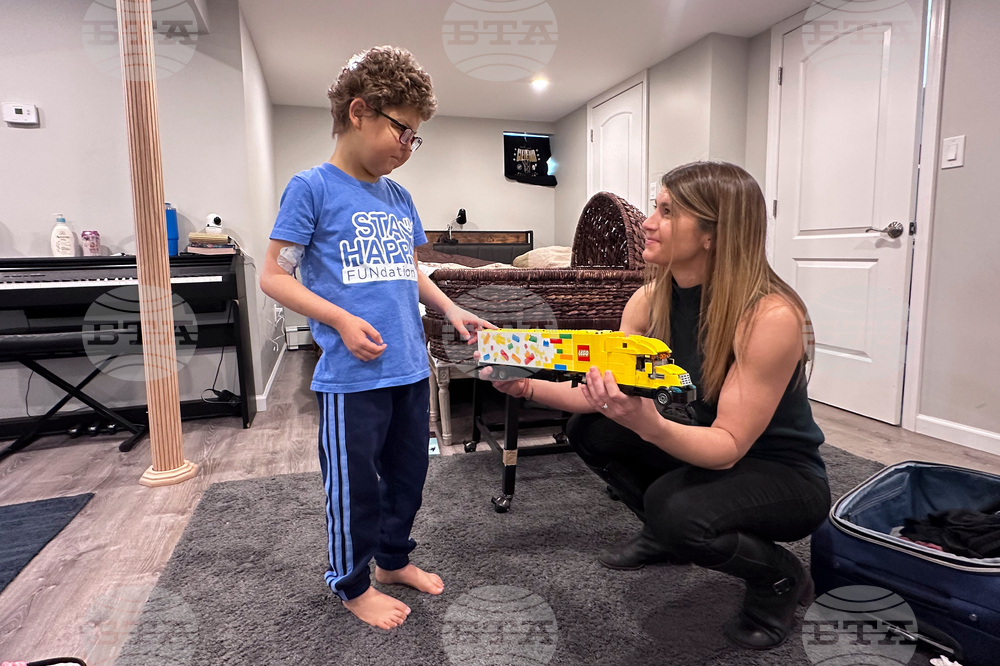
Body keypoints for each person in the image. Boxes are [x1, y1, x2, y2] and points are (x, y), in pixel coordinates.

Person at [481, 161, 831, 650]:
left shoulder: (768, 316)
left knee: (677, 508)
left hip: (782, 474)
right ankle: (667, 536)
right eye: (655, 207)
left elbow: (729, 447)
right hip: (704, 444)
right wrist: (524, 388)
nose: (647, 222)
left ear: (713, 233)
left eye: (667, 211)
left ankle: (779, 578)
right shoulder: (649, 300)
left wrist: (650, 425)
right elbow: (593, 395)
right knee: (590, 429)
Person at [260, 46, 490, 631]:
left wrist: (452, 308)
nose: (408, 147)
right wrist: (337, 318)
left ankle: (391, 560)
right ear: (359, 111)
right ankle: (352, 583)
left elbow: (409, 271)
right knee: (355, 487)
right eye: (402, 130)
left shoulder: (399, 199)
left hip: (410, 368)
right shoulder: (310, 187)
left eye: (417, 137)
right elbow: (273, 275)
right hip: (351, 377)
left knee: (409, 476)